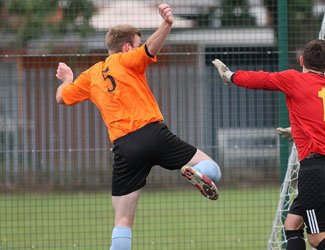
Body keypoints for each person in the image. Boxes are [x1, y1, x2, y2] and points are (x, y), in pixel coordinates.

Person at [54, 3, 221, 249]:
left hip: (124, 147)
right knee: (213, 168)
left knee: (122, 220)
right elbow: (150, 47)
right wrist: (167, 24)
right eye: (135, 43)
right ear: (126, 47)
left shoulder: (90, 76)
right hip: (154, 134)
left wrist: (67, 79)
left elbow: (61, 97)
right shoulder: (126, 59)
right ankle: (196, 173)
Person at [212, 39, 325, 250]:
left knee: (317, 238)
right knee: (292, 223)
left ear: (301, 60)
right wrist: (298, 133)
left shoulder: (294, 79)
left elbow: (262, 79)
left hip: (315, 173)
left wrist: (230, 76)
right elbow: (323, 124)